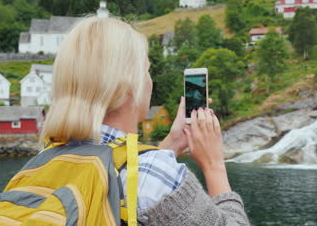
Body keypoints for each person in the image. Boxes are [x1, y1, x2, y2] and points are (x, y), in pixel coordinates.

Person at [41, 16, 250, 225]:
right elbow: (145, 180)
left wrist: (172, 143)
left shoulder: (44, 161)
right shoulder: (154, 175)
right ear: (131, 86)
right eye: (146, 70)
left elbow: (126, 170)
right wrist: (214, 165)